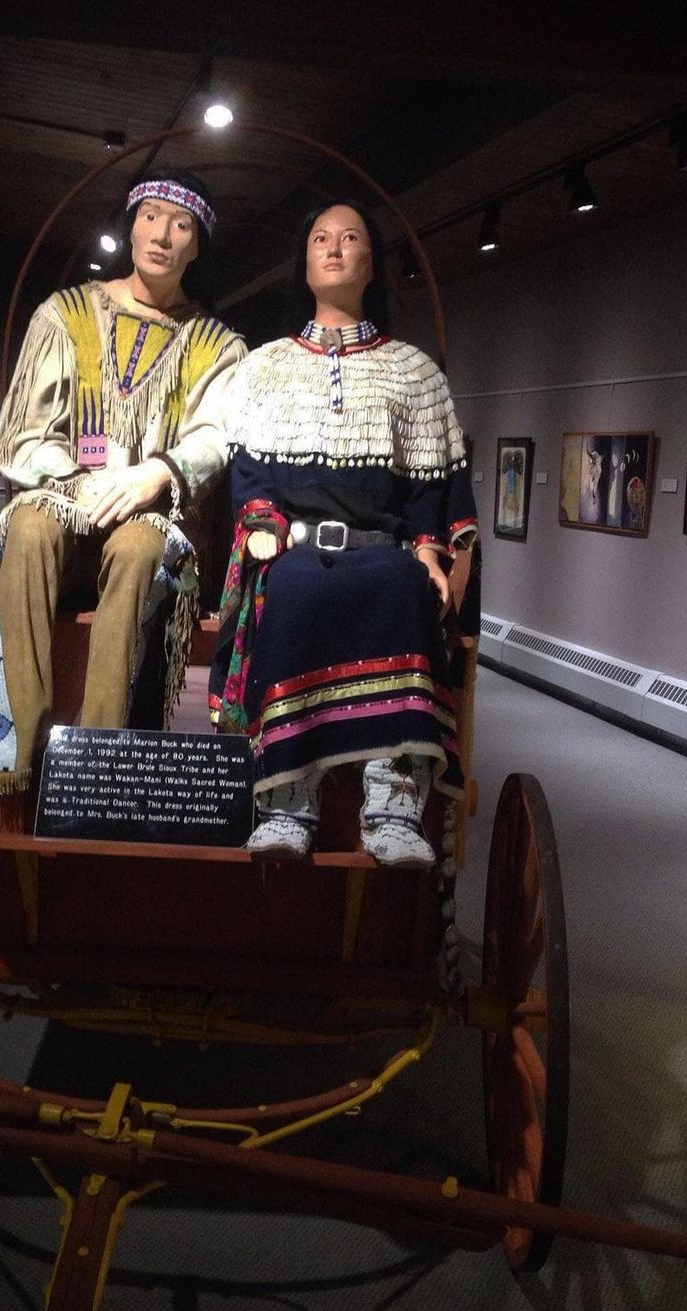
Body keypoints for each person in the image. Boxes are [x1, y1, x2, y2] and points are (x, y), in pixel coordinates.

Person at [0, 170, 246, 794]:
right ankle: (12, 754)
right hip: (62, 500)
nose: (162, 235)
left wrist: (155, 473)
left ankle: (103, 760)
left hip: (151, 515)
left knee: (137, 550)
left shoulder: (217, 344)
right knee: (26, 527)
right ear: (130, 224)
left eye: (181, 224)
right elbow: (24, 431)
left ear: (198, 245)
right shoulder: (66, 314)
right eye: (151, 216)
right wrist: (80, 484)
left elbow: (215, 436)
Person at [209, 200, 478, 866]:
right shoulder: (264, 366)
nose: (334, 247)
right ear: (304, 263)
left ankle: (394, 804)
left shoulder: (414, 372)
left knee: (405, 590)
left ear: (371, 261)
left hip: (380, 553)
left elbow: (428, 488)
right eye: (321, 237)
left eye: (350, 237)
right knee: (292, 590)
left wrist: (427, 551)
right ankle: (284, 800)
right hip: (293, 551)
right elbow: (248, 476)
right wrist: (262, 526)